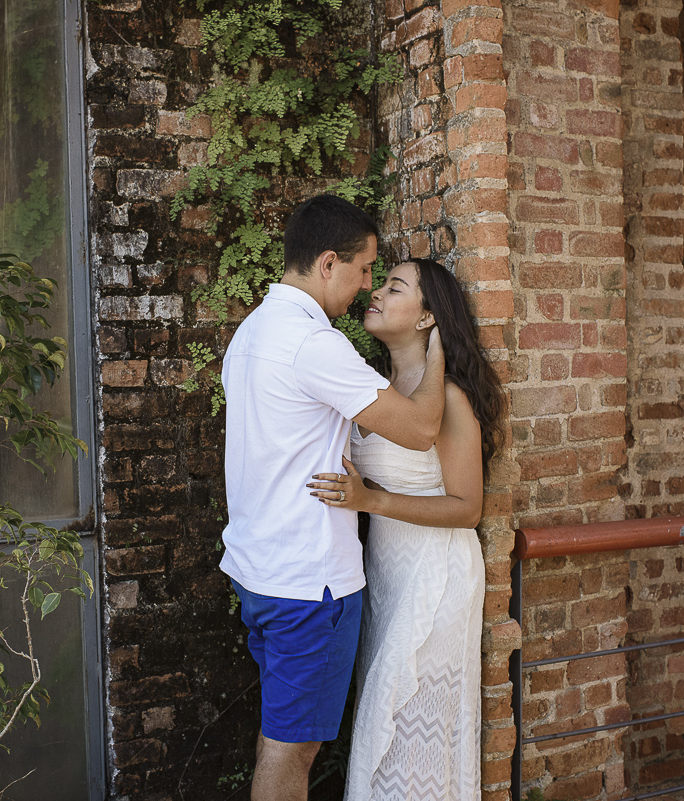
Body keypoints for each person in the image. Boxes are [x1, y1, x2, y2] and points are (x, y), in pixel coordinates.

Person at [220, 196, 449, 801]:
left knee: (280, 738)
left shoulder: (250, 333)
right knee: (292, 752)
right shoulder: (312, 344)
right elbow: (424, 429)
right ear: (327, 264)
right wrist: (441, 341)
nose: (367, 286)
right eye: (365, 269)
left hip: (258, 573)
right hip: (308, 587)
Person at [307, 258, 504, 801]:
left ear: (426, 319)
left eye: (395, 288)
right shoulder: (380, 392)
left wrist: (371, 499)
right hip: (387, 575)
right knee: (382, 720)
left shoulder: (453, 399)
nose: (376, 292)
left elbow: (467, 508)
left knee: (411, 725)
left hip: (437, 576)